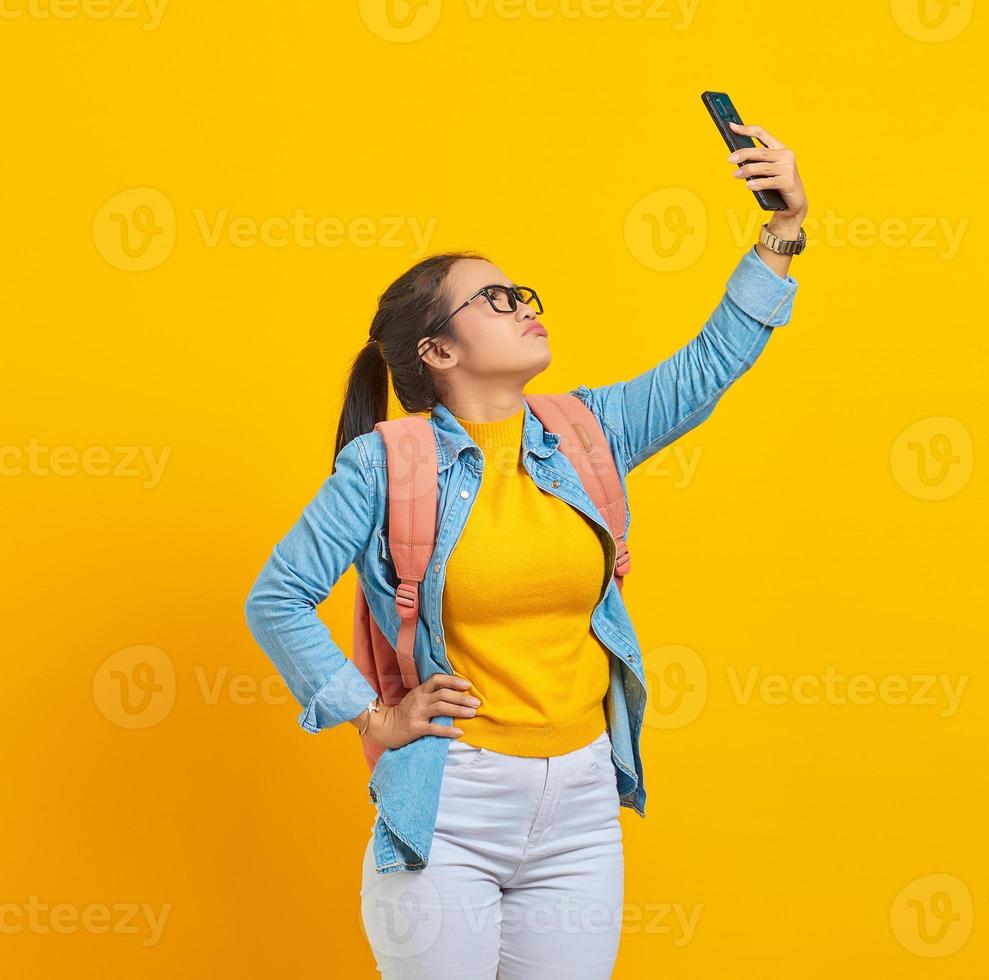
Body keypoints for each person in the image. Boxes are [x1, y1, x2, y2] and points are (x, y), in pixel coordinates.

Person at [243, 121, 807, 978]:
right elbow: (276, 597)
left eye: (522, 293)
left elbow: (708, 366)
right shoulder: (387, 464)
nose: (524, 306)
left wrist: (782, 232)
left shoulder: (585, 432)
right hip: (452, 805)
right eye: (495, 301)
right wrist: (376, 716)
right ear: (438, 351)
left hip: (581, 803)